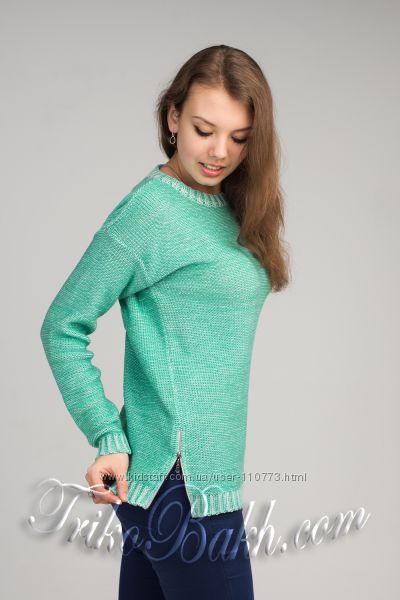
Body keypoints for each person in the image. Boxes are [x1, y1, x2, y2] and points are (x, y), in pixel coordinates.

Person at [40, 44, 290, 599]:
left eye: (240, 137)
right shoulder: (150, 213)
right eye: (204, 129)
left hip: (189, 485)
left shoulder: (231, 207)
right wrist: (107, 434)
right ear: (173, 117)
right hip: (180, 485)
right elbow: (62, 325)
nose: (220, 152)